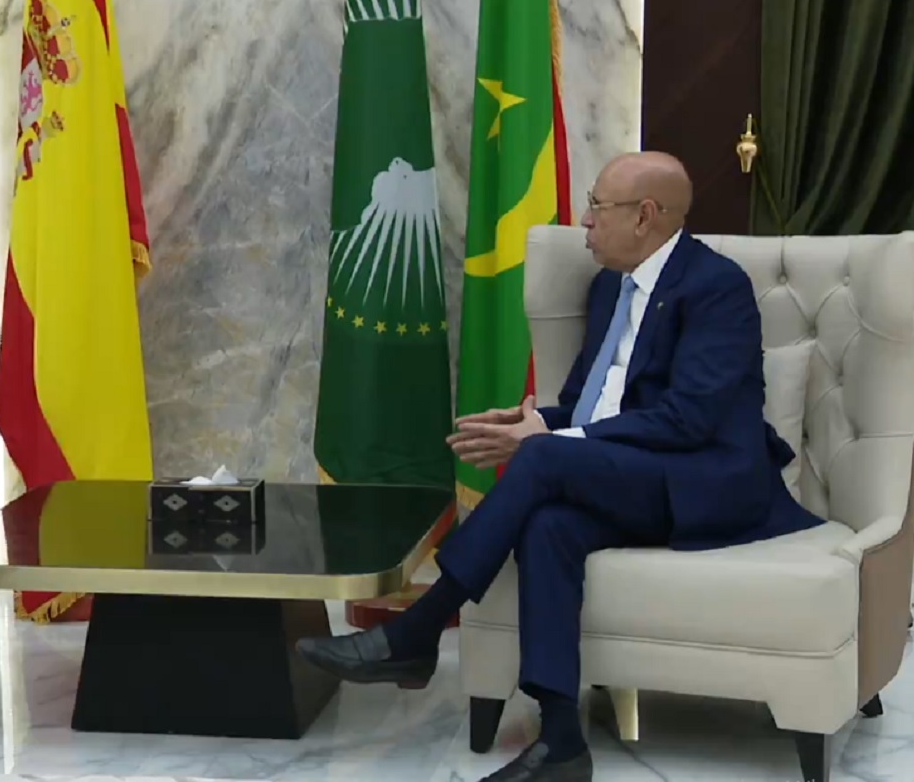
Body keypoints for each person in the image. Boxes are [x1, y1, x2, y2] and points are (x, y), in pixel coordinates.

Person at [297, 151, 821, 781]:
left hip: (705, 480)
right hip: (629, 472)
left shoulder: (716, 288)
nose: (585, 222)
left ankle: (420, 630)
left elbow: (690, 420)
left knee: (546, 462)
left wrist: (551, 438)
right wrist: (538, 420)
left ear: (645, 216)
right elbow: (585, 403)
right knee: (548, 525)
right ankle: (563, 741)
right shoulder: (607, 287)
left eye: (597, 207)